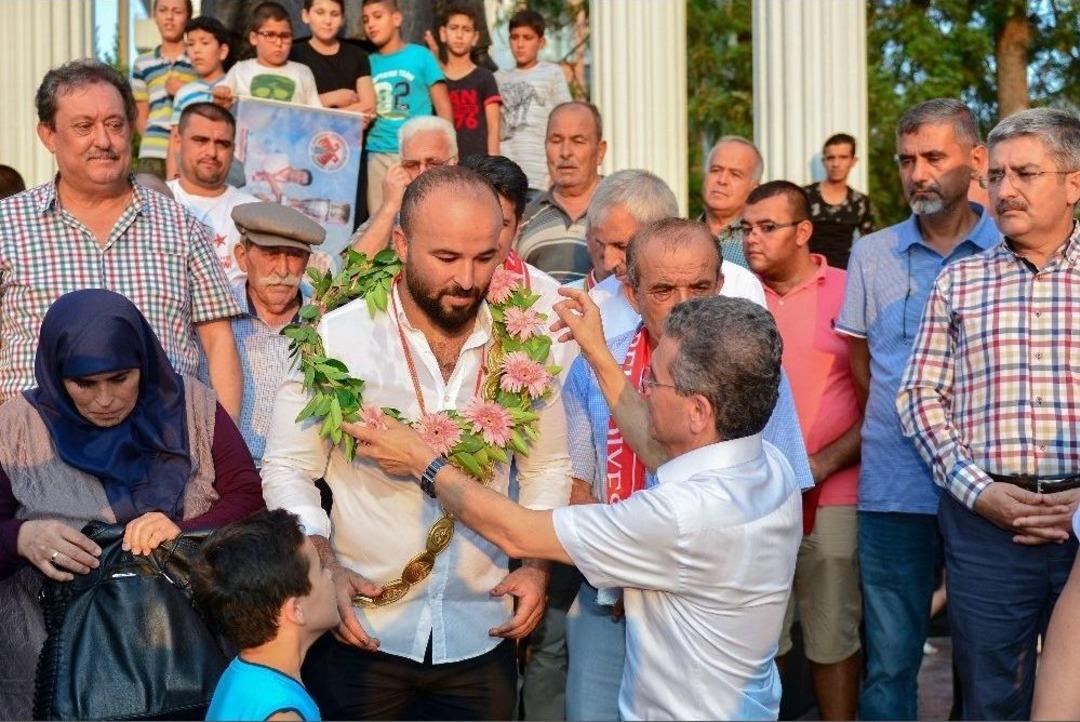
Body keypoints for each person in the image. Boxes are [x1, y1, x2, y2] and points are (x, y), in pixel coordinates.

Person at [347, 294, 803, 720]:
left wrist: (422, 461)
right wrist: (598, 354)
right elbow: (655, 443)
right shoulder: (768, 466)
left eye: (653, 379)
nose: (644, 388)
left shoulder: (683, 518)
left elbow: (518, 533)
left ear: (699, 412)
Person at [261, 166, 571, 720]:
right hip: (364, 630)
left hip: (484, 629)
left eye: (485, 257)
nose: (467, 279)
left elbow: (548, 467)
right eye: (447, 258)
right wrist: (323, 562)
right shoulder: (339, 337)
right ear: (401, 244)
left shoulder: (526, 342)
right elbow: (288, 467)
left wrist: (535, 566)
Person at [560, 218, 813, 720]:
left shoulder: (751, 367)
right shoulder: (592, 364)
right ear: (631, 293)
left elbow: (781, 490)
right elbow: (574, 484)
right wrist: (618, 569)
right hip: (606, 601)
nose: (683, 303)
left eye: (699, 286)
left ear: (720, 286)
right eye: (663, 289)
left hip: (715, 620)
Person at [0, 289, 265, 719]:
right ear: (54, 373)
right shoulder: (16, 428)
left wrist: (187, 527)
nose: (104, 400)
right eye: (84, 384)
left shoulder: (192, 406)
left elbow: (248, 497)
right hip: (56, 671)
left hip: (186, 660)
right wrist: (21, 537)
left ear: (144, 362)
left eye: (120, 378)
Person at [899, 107, 1080, 720]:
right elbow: (919, 399)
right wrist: (980, 493)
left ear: (1073, 183)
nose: (1005, 190)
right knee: (990, 698)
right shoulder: (961, 280)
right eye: (997, 175)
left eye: (1025, 173)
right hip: (985, 531)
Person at [835, 98, 999, 720]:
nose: (917, 173)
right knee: (890, 662)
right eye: (907, 160)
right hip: (894, 487)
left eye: (933, 157)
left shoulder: (1006, 250)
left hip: (985, 487)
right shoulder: (872, 253)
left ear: (975, 159)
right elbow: (862, 368)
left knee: (986, 662)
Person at [0, 60, 244, 417]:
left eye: (115, 125)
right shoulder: (8, 225)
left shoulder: (180, 225)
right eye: (84, 126)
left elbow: (218, 341)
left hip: (162, 451)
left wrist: (222, 449)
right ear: (48, 135)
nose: (103, 140)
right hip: (37, 454)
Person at [743, 181, 862, 721]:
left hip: (835, 486)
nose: (752, 238)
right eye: (745, 228)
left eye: (767, 227)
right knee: (760, 636)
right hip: (750, 494)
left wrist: (822, 464)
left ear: (803, 231)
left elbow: (876, 397)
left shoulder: (848, 286)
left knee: (832, 631)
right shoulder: (735, 293)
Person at [582, 169, 765, 341]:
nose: (608, 263)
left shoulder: (740, 285)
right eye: (600, 244)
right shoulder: (599, 300)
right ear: (633, 294)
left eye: (622, 246)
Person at [195, 509, 337, 721]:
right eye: (320, 568)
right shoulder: (283, 714)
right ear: (296, 609)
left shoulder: (240, 674)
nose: (330, 574)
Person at [227, 202, 324, 468]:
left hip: (301, 476)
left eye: (294, 255)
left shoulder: (326, 321)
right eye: (270, 254)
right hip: (223, 475)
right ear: (241, 256)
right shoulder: (215, 315)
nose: (283, 271)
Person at [362, 0, 453, 213]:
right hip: (379, 153)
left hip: (418, 155)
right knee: (380, 220)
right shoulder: (366, 62)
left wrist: (448, 153)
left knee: (422, 216)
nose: (371, 24)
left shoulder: (421, 55)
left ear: (396, 18)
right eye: (365, 19)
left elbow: (443, 107)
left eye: (377, 16)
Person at [517, 101, 606, 283]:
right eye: (556, 141)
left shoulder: (623, 210)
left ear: (600, 151)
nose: (565, 152)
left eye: (578, 141)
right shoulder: (524, 218)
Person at [168, 102, 258, 281]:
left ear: (232, 150)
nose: (212, 152)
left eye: (222, 144)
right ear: (178, 141)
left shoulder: (255, 211)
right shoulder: (150, 201)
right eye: (200, 140)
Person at [349, 115, 458, 257]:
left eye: (433, 163)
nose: (422, 172)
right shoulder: (395, 211)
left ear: (454, 162)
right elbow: (352, 270)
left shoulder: (473, 206)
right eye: (412, 165)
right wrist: (390, 206)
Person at [495, 9, 572, 195]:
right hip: (506, 173)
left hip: (540, 173)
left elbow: (565, 120)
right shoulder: (497, 78)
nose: (520, 44)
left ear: (541, 42)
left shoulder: (551, 73)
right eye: (515, 37)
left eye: (527, 38)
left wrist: (558, 167)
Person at [131, 0, 196, 179]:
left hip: (188, 150)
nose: (169, 17)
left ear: (188, 17)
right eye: (163, 10)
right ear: (154, 17)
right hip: (152, 151)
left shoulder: (198, 59)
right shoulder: (142, 63)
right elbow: (141, 115)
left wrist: (184, 91)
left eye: (177, 11)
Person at [217, 2, 322, 109]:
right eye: (270, 35)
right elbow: (220, 106)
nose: (278, 42)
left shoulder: (303, 73)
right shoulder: (239, 71)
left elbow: (316, 115)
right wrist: (221, 100)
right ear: (254, 38)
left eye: (285, 36)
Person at [165, 15, 233, 180]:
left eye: (204, 43)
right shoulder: (185, 93)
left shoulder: (235, 87)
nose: (196, 50)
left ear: (223, 51)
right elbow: (175, 139)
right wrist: (172, 178)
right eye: (191, 44)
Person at [438, 1, 501, 160]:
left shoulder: (485, 77)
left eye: (466, 30)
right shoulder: (436, 80)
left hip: (479, 166)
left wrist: (494, 166)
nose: (459, 35)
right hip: (445, 165)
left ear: (475, 37)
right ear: (443, 33)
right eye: (454, 28)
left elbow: (494, 128)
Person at [291, 0, 377, 115]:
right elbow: (290, 106)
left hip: (347, 132)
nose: (327, 21)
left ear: (342, 19)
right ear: (306, 16)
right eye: (320, 12)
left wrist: (325, 112)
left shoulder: (357, 54)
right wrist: (332, 98)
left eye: (334, 14)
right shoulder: (293, 54)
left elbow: (369, 108)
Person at [804, 133, 874, 269]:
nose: (836, 164)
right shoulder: (805, 196)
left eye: (843, 157)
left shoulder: (860, 202)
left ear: (853, 161)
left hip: (845, 275)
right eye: (831, 158)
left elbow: (870, 244)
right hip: (808, 271)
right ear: (824, 161)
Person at [699, 135, 762, 269]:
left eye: (735, 174)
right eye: (715, 170)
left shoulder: (760, 245)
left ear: (754, 188)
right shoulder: (679, 235)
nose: (722, 180)